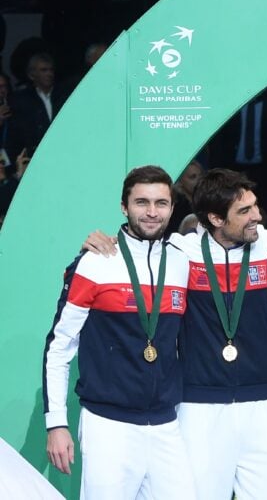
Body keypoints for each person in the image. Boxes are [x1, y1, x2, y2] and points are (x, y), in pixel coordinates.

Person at [81, 169, 267, 499]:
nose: (257, 217)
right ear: (216, 218)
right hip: (198, 406)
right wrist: (101, 242)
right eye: (245, 211)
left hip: (263, 404)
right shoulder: (180, 252)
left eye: (254, 206)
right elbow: (137, 251)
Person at [43, 166, 196, 498]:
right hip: (108, 426)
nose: (152, 212)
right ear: (124, 207)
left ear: (172, 207)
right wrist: (56, 423)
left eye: (161, 203)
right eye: (142, 202)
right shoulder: (96, 262)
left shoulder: (182, 261)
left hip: (166, 424)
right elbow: (60, 345)